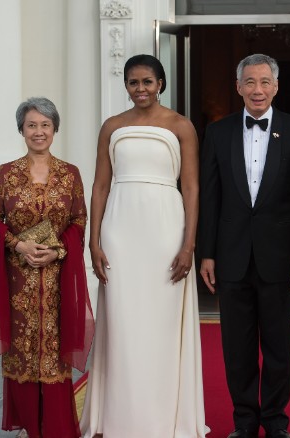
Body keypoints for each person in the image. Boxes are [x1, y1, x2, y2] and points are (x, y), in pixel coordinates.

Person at [80, 54, 208, 437]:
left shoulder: (181, 125)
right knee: (122, 323)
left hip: (166, 229)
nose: (140, 89)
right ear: (126, 85)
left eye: (147, 82)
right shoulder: (112, 126)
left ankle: (164, 418)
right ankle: (119, 417)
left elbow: (191, 187)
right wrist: (93, 241)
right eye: (133, 82)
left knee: (162, 324)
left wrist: (188, 244)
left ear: (160, 84)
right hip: (120, 231)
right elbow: (100, 186)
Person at [199, 53, 290, 438]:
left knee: (279, 348)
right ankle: (245, 423)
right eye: (250, 82)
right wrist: (207, 253)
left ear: (276, 86)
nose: (258, 89)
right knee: (238, 348)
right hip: (231, 256)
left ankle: (276, 421)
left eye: (265, 81)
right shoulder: (218, 132)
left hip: (279, 257)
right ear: (238, 87)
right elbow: (210, 198)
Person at [0, 97, 94, 438]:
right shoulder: (7, 173)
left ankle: (57, 427)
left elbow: (79, 220)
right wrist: (19, 245)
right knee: (22, 351)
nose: (38, 131)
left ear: (55, 129)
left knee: (54, 353)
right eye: (31, 125)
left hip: (58, 279)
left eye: (45, 125)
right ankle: (30, 425)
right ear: (21, 130)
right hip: (17, 280)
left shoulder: (70, 174)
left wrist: (57, 251)